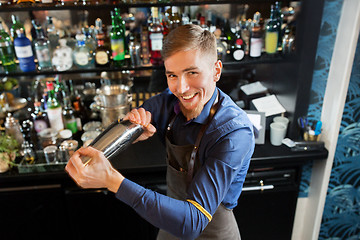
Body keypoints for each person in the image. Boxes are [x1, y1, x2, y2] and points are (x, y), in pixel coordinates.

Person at [65, 24, 255, 240]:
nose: (181, 88)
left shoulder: (234, 133)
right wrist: (128, 133)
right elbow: (137, 118)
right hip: (168, 218)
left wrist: (112, 180)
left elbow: (194, 222)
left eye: (192, 72)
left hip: (210, 227)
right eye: (172, 75)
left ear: (216, 71)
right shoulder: (169, 102)